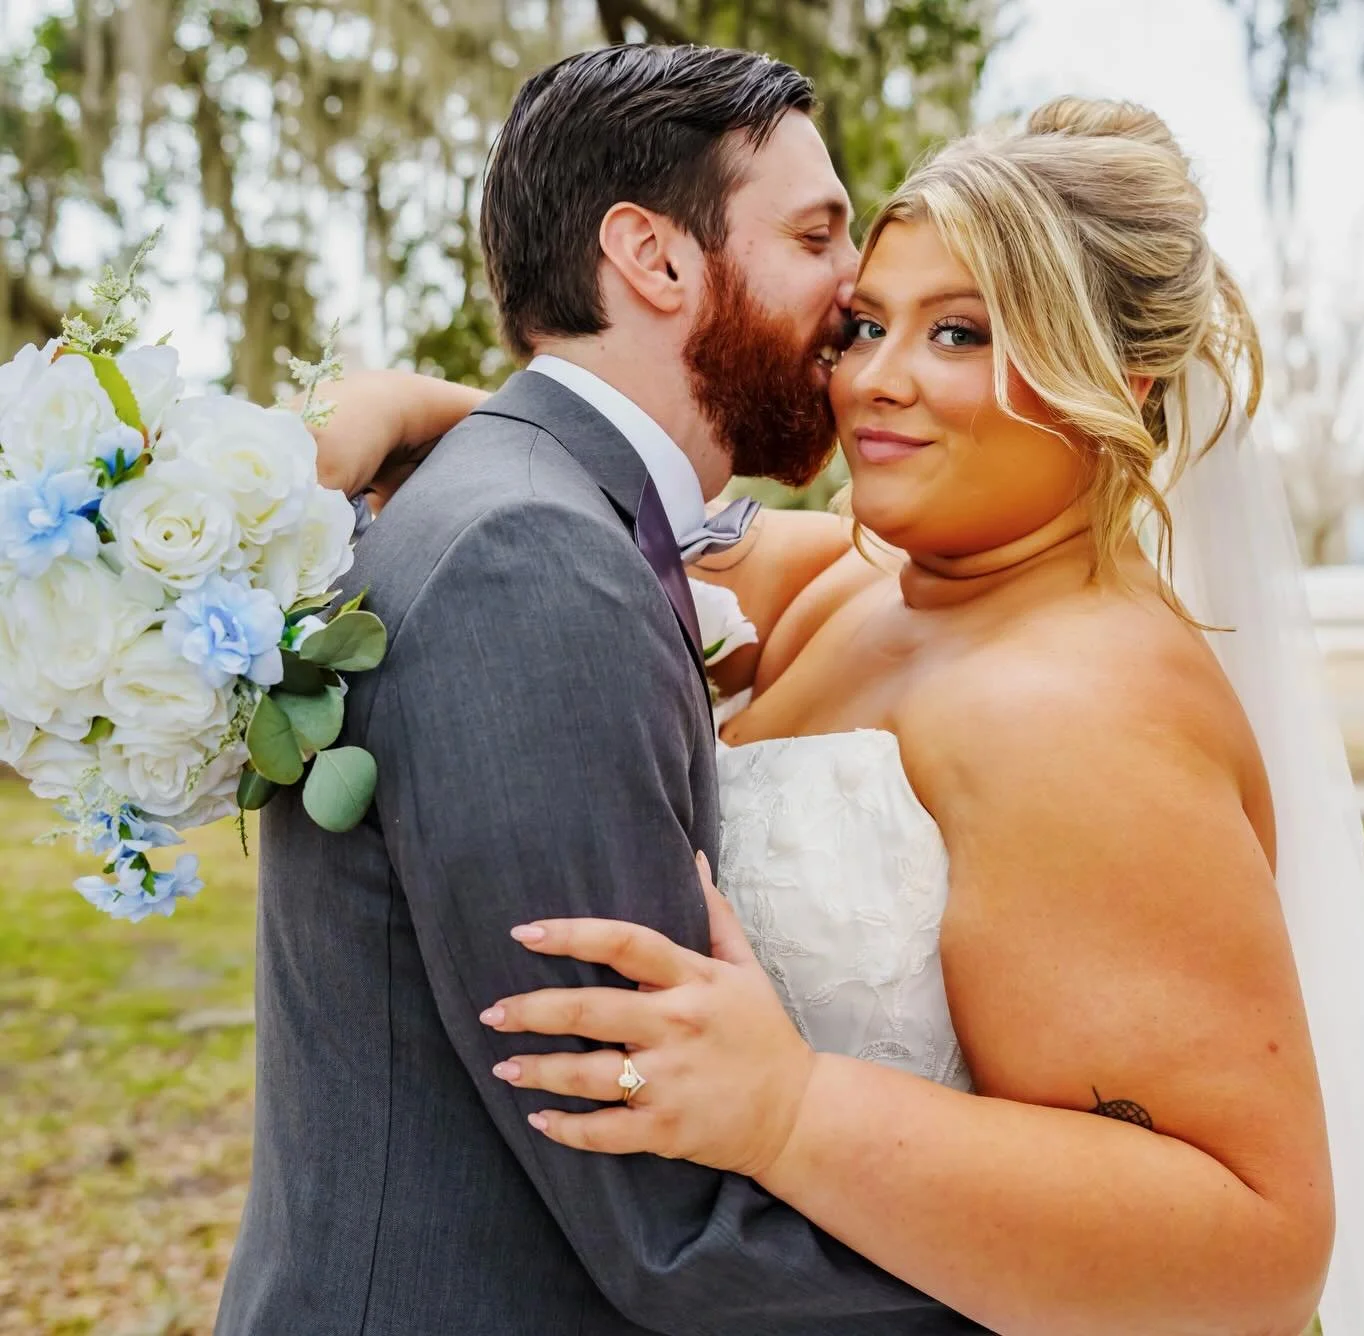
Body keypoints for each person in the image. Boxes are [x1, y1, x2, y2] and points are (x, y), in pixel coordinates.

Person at [320, 98, 1364, 1334]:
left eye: (958, 332)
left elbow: (1260, 1248)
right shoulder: (855, 577)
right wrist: (417, 410)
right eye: (863, 324)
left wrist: (793, 1112)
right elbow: (584, 511)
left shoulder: (1085, 713)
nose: (869, 380)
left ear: (1113, 383)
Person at [217, 44, 986, 1336]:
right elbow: (658, 1215)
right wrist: (1078, 1293)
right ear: (658, 259)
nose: (853, 297)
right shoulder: (533, 564)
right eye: (815, 235)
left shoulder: (540, 505)